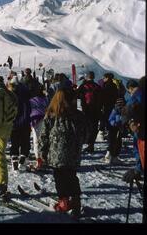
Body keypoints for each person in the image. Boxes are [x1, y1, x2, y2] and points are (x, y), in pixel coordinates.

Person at [38, 88, 87, 217]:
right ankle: (76, 202)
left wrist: (42, 152)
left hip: (56, 154)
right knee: (72, 177)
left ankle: (64, 202)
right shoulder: (78, 115)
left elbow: (44, 136)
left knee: (60, 178)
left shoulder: (51, 114)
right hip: (73, 154)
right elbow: (85, 134)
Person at [122, 78, 144, 183]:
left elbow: (127, 112)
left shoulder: (136, 95)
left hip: (140, 128)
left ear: (130, 88)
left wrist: (128, 122)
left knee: (138, 149)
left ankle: (139, 169)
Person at [7, 76, 31, 171]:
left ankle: (14, 159)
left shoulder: (11, 95)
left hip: (14, 122)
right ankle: (23, 157)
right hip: (25, 121)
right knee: (25, 141)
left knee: (14, 142)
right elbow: (29, 108)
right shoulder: (26, 93)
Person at [77, 71, 102, 153]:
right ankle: (91, 144)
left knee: (87, 126)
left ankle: (87, 143)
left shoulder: (83, 86)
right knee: (94, 127)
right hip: (96, 110)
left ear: (87, 77)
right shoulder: (97, 86)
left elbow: (77, 94)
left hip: (86, 109)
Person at [29, 83, 49, 169]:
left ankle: (39, 159)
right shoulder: (45, 99)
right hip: (44, 120)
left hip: (35, 121)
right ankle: (44, 157)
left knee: (36, 141)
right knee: (44, 140)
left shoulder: (31, 101)